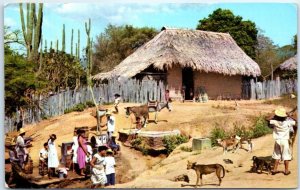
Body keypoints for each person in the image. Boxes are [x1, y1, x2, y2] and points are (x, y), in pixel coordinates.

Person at [269, 107, 296, 175]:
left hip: (277, 140)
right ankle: (286, 171)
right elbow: (297, 121)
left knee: (277, 155)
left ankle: (275, 170)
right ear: (285, 116)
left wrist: (274, 115)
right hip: (284, 141)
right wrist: (289, 115)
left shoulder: (275, 122)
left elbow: (267, 119)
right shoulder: (288, 122)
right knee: (286, 156)